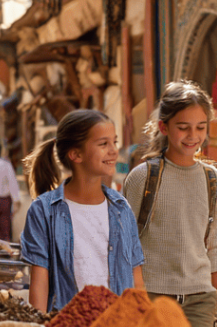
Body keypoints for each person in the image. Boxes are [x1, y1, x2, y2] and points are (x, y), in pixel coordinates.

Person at [123, 81, 217, 327]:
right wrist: (137, 301)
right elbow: (125, 248)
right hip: (151, 298)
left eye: (201, 127)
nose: (193, 135)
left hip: (200, 303)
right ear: (164, 127)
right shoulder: (142, 178)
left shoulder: (214, 181)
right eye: (183, 127)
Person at [20, 109, 145, 312]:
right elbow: (39, 283)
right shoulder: (44, 210)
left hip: (117, 325)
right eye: (103, 144)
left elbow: (136, 279)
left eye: (114, 142)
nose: (114, 150)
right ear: (76, 154)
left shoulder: (121, 208)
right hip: (67, 325)